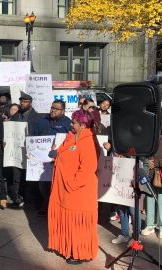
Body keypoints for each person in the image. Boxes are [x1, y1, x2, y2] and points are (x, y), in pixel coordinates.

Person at [48, 109, 99, 264]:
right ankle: (70, 248)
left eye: (73, 122)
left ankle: (79, 253)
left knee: (78, 224)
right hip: (66, 191)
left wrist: (71, 184)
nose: (70, 124)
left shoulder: (89, 141)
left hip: (78, 192)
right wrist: (55, 154)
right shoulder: (72, 138)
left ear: (83, 125)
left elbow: (88, 168)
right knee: (70, 223)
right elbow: (64, 154)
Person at [34, 100, 71, 213]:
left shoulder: (67, 123)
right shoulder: (42, 121)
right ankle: (46, 204)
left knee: (56, 185)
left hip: (59, 159)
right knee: (43, 185)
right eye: (52, 107)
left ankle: (55, 207)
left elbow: (70, 141)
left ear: (63, 111)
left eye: (56, 108)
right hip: (42, 159)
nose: (53, 110)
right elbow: (34, 138)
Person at [10, 92, 41, 209]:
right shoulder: (15, 116)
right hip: (17, 150)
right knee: (17, 176)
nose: (22, 103)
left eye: (25, 101)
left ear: (31, 103)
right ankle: (18, 199)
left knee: (31, 176)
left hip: (31, 151)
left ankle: (33, 201)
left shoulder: (37, 117)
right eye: (21, 101)